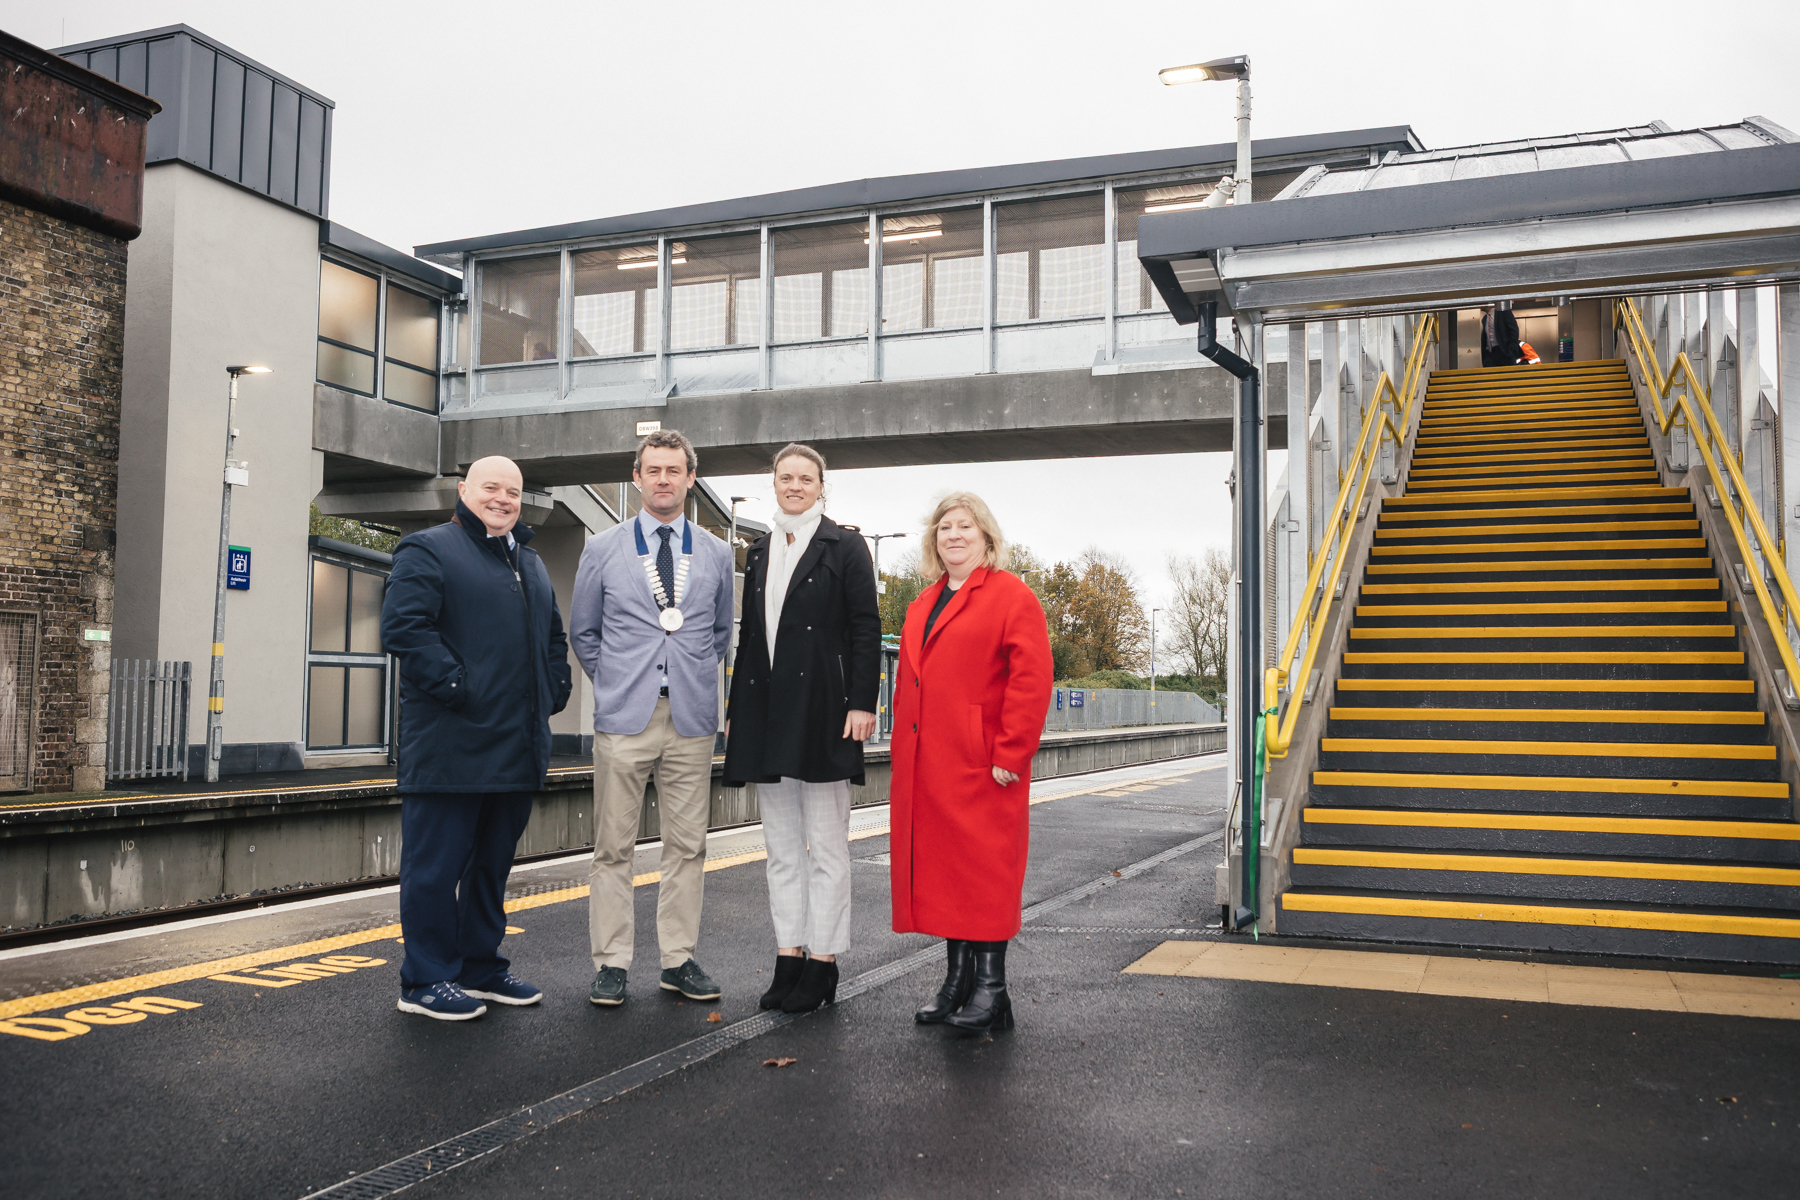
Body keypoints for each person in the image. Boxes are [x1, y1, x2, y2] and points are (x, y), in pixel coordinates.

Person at [380, 455, 572, 1020]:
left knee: (490, 868)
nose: (503, 499)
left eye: (512, 492)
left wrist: (553, 691)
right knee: (435, 870)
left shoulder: (530, 564)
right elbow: (404, 630)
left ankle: (480, 967)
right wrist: (460, 687)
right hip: (449, 746)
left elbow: (553, 639)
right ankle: (424, 980)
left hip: (514, 748)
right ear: (464, 490)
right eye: (491, 488)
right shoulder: (429, 548)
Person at [570, 429, 735, 1007]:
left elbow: (720, 634)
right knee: (612, 847)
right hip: (624, 719)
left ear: (691, 479)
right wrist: (618, 681)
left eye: (674, 470)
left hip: (690, 718)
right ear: (636, 478)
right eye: (653, 470)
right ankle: (611, 962)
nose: (663, 480)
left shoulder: (715, 552)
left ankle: (678, 960)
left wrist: (681, 676)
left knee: (687, 847)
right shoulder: (603, 548)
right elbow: (583, 633)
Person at [723, 444, 882, 1014]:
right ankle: (788, 955)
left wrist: (863, 701)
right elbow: (750, 640)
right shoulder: (760, 550)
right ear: (775, 483)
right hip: (768, 714)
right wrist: (739, 706)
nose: (795, 485)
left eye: (805, 478)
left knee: (828, 849)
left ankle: (824, 963)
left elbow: (867, 627)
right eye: (785, 477)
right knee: (782, 850)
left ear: (821, 486)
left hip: (824, 712)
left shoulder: (845, 546)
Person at [889, 493, 1052, 1034]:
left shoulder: (1011, 596)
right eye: (944, 527)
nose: (953, 535)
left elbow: (1031, 679)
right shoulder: (924, 601)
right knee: (948, 873)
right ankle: (957, 982)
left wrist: (1012, 750)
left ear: (986, 537)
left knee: (985, 873)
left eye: (965, 526)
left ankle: (991, 990)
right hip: (931, 763)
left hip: (983, 763)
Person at [1481, 302, 1523, 367]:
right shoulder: (1485, 318)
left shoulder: (1503, 312)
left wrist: (1511, 349)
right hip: (1490, 353)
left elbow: (1514, 329)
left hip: (1504, 351)